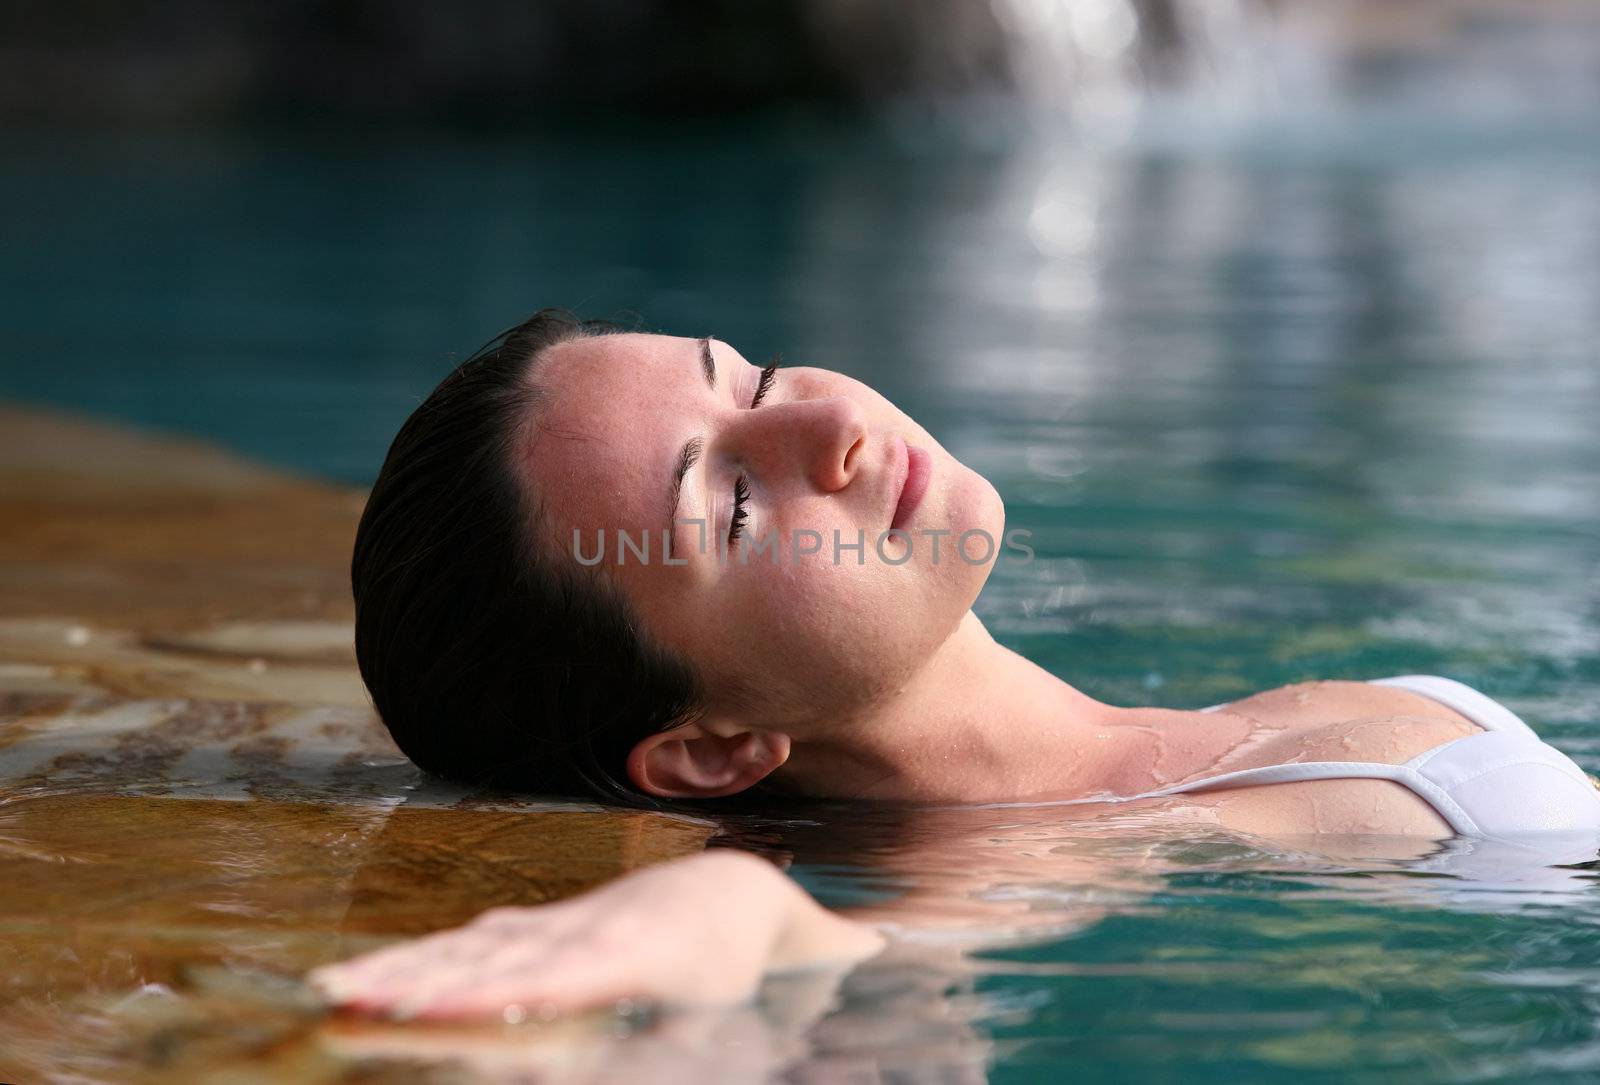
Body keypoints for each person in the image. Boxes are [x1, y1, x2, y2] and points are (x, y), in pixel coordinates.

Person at [313, 309, 1600, 1020]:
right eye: (735, 507)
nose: (833, 423)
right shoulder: (1065, 845)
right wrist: (732, 911)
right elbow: (942, 926)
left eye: (749, 377)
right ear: (712, 748)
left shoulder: (1191, 747)